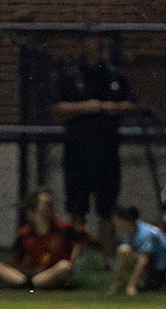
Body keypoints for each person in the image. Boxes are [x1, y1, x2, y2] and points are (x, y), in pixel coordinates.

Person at [51, 35, 138, 263]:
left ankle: (108, 259)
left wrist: (108, 107)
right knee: (78, 209)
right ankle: (75, 260)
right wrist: (87, 107)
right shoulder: (71, 76)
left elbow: (130, 104)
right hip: (77, 151)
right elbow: (58, 107)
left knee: (106, 210)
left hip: (106, 151)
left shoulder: (115, 76)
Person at [0, 189, 87, 289]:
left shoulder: (62, 228)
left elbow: (81, 239)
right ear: (34, 208)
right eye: (46, 204)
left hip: (51, 272)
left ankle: (31, 285)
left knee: (64, 266)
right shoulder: (25, 232)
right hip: (28, 274)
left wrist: (73, 259)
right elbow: (17, 260)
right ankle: (26, 284)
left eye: (51, 204)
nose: (49, 208)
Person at [110, 205, 166, 296]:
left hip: (157, 272)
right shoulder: (128, 234)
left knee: (127, 251)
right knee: (123, 250)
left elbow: (144, 259)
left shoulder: (146, 233)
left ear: (125, 221)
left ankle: (132, 286)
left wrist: (131, 286)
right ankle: (116, 285)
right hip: (147, 268)